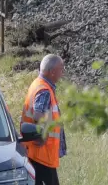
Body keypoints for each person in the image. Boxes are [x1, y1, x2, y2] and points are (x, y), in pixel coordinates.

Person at [22, 55, 66, 185]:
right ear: (52, 72)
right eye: (61, 69)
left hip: (36, 153)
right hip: (43, 155)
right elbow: (38, 116)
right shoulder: (44, 90)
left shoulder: (38, 84)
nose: (62, 72)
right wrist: (43, 136)